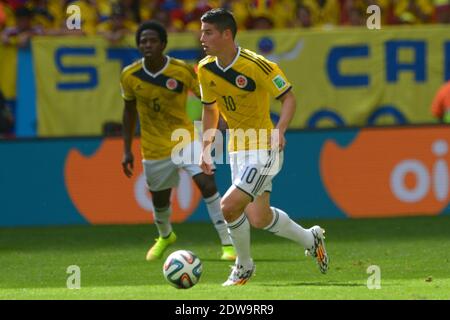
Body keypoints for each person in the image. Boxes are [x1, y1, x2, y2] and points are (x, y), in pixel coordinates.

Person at [197, 8, 329, 286]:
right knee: (258, 217)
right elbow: (210, 110)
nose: (202, 37)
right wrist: (205, 145)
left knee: (228, 207)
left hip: (264, 149)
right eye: (202, 31)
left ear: (226, 34)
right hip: (237, 149)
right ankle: (310, 237)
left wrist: (280, 131)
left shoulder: (257, 65)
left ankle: (243, 266)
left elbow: (289, 98)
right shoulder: (205, 69)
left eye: (208, 32)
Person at [120, 20, 236, 261]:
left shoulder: (181, 70)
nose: (147, 45)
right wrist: (126, 150)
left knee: (207, 184)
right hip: (154, 146)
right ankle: (165, 236)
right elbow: (129, 111)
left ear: (163, 44)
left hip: (184, 139)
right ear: (138, 46)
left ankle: (228, 243)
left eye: (153, 40)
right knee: (160, 200)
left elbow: (208, 98)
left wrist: (222, 121)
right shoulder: (130, 75)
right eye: (143, 41)